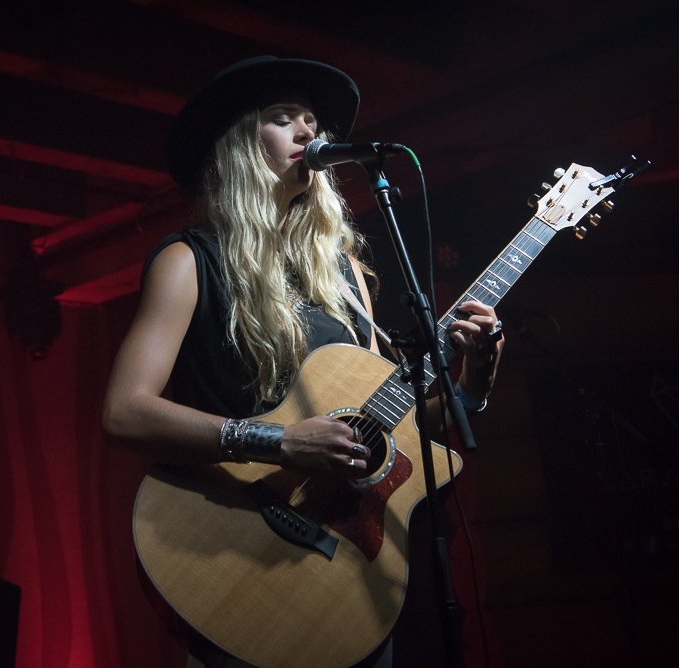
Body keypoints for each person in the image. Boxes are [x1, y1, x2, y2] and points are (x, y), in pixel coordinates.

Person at [102, 56, 503, 668]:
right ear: (237, 145)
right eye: (283, 118)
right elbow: (123, 414)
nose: (308, 133)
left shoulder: (343, 275)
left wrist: (473, 380)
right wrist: (281, 442)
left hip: (344, 568)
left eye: (313, 122)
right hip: (236, 552)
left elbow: (383, 426)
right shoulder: (188, 263)